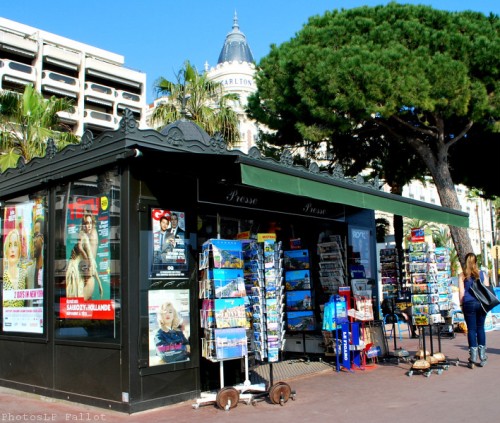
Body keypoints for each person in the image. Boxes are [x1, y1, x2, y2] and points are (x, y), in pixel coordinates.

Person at [458, 252, 490, 368]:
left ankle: (473, 358)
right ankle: (483, 357)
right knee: (480, 328)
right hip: (481, 304)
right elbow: (487, 289)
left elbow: (461, 293)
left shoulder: (462, 276)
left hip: (468, 304)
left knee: (471, 329)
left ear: (465, 262)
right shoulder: (482, 274)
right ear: (476, 262)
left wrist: (462, 305)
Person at [65, 231, 103, 300]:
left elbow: (91, 266)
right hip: (74, 273)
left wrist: (99, 284)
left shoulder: (87, 242)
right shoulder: (83, 238)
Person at [2, 228, 28, 307]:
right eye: (10, 245)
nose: (12, 249)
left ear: (19, 250)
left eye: (15, 245)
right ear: (6, 250)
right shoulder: (3, 276)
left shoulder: (24, 274)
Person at [26, 217, 44, 290]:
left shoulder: (49, 269)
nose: (33, 240)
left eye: (36, 235)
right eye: (33, 236)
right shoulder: (29, 271)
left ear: (43, 238)